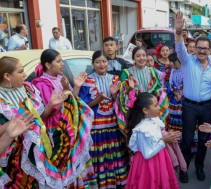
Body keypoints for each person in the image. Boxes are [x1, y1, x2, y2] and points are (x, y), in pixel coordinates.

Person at [0, 56, 94, 188]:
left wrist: (50, 105)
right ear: (7, 76)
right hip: (14, 160)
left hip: (39, 150)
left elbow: (39, 119)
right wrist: (11, 125)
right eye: (20, 72)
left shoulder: (27, 89)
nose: (25, 75)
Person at [174, 11, 211, 183]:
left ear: (209, 50)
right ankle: (184, 169)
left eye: (204, 48)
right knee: (186, 140)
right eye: (198, 47)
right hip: (189, 106)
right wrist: (178, 32)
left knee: (204, 140)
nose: (201, 50)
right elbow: (179, 48)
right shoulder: (187, 61)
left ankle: (199, 167)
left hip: (206, 107)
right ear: (195, 48)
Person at [78, 50, 129, 188]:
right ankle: (100, 183)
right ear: (93, 64)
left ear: (108, 62)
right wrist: (98, 99)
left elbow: (121, 104)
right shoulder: (87, 81)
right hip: (95, 127)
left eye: (104, 61)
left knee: (114, 153)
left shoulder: (115, 79)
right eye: (98, 62)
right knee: (98, 155)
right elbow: (83, 106)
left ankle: (115, 182)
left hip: (113, 125)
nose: (102, 64)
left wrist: (113, 95)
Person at [125, 92, 181, 189]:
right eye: (156, 105)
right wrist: (164, 141)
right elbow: (147, 154)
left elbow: (155, 137)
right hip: (148, 165)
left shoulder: (154, 119)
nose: (159, 107)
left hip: (160, 157)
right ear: (145, 110)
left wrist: (168, 135)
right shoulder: (141, 130)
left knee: (161, 180)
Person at [117, 47, 168, 134]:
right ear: (133, 58)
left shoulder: (152, 71)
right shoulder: (126, 73)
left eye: (144, 55)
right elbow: (122, 96)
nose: (141, 58)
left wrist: (159, 92)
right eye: (138, 56)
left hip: (150, 110)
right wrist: (130, 89)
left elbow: (157, 89)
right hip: (135, 110)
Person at [167, 52, 183, 132]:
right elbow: (170, 84)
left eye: (171, 61)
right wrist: (175, 93)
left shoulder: (185, 69)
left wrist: (181, 94)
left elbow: (187, 83)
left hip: (183, 99)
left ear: (177, 60)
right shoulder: (172, 71)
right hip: (175, 99)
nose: (170, 63)